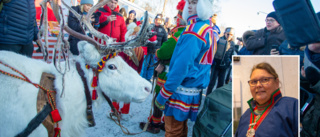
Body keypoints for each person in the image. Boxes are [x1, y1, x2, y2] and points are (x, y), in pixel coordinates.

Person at [154, 0, 218, 136]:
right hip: (192, 88)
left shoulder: (194, 31)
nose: (189, 6)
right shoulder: (208, 28)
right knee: (180, 129)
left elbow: (181, 67)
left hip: (181, 88)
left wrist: (163, 94)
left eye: (194, 3)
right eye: (189, 2)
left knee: (173, 130)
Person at [139, 0, 186, 133]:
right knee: (169, 100)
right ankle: (164, 123)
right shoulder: (185, 34)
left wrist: (158, 52)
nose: (176, 19)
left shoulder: (178, 35)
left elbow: (164, 51)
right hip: (176, 74)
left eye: (178, 16)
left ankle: (154, 125)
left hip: (167, 73)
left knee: (159, 99)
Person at [235, 62, 298, 137]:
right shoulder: (245, 116)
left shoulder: (292, 106)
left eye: (264, 80)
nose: (258, 85)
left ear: (276, 83)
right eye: (254, 82)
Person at [206, 27, 235, 95]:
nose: (229, 36)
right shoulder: (219, 40)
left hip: (224, 67)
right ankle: (208, 96)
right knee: (211, 83)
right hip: (216, 65)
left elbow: (232, 54)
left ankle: (216, 98)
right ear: (225, 33)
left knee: (220, 84)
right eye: (228, 34)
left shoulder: (232, 43)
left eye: (231, 34)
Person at [140, 14, 168, 82]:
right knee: (144, 65)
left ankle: (148, 78)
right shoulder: (151, 26)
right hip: (148, 50)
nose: (156, 21)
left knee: (152, 66)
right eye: (156, 19)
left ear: (161, 21)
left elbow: (165, 42)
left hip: (155, 52)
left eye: (158, 20)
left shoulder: (163, 30)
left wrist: (160, 51)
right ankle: (141, 77)